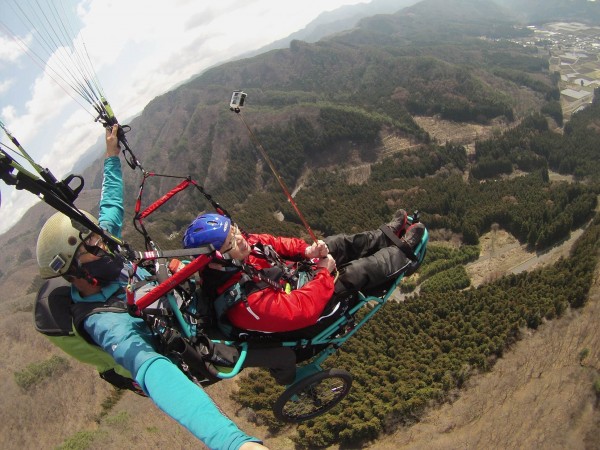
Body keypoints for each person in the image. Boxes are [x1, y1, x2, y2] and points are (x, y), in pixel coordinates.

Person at [35, 124, 268, 450]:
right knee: (277, 351)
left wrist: (111, 154)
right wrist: (232, 442)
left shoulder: (104, 256)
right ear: (74, 270)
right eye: (92, 243)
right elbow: (154, 371)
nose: (103, 242)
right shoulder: (104, 322)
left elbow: (112, 207)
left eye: (96, 235)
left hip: (181, 307)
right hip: (185, 344)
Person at [182, 210, 425, 335]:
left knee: (336, 243)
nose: (240, 240)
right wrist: (323, 273)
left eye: (234, 231)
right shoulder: (243, 304)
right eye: (230, 243)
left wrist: (307, 251)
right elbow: (300, 312)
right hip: (308, 316)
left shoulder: (242, 251)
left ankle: (384, 237)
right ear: (216, 261)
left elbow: (273, 243)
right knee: (354, 273)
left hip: (296, 280)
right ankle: (405, 256)